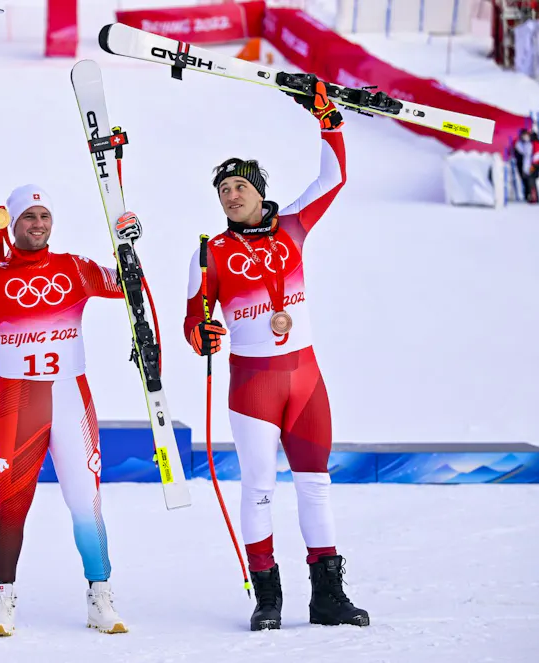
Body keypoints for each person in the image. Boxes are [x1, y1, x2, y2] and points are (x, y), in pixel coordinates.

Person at [183, 81, 369, 631]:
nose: (230, 196)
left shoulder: (292, 225)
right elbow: (194, 323)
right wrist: (204, 335)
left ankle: (327, 597)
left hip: (306, 380)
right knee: (259, 487)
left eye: (239, 186)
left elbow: (333, 177)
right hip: (254, 385)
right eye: (223, 192)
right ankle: (267, 598)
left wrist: (327, 118)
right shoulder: (208, 252)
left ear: (260, 191)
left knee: (315, 483)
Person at [0, 185, 141, 637]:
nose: (38, 225)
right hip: (19, 403)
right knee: (12, 505)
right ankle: (3, 594)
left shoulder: (74, 268)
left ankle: (100, 594)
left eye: (45, 216)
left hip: (72, 399)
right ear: (13, 223)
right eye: (28, 217)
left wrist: (127, 246)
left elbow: (131, 288)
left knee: (85, 502)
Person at [513, 129, 539, 204]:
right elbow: (522, 151)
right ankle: (531, 196)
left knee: (532, 182)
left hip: (533, 165)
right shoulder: (527, 143)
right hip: (528, 165)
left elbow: (537, 154)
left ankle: (535, 198)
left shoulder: (534, 143)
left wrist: (533, 165)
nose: (525, 137)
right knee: (529, 182)